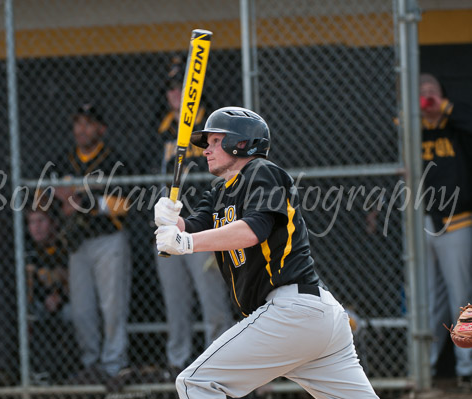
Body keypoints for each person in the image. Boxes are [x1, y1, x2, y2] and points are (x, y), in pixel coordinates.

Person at [154, 107, 378, 398]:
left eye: (215, 141)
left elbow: (252, 231)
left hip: (293, 311)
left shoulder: (263, 172)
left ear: (241, 142)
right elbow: (191, 228)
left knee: (195, 382)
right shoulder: (219, 193)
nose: (206, 150)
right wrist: (170, 220)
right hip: (313, 319)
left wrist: (186, 243)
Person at [155, 57, 233, 379]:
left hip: (203, 228)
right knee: (176, 303)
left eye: (180, 88)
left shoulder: (210, 129)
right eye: (171, 89)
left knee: (212, 301)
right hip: (169, 226)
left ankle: (221, 364)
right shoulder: (161, 128)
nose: (175, 95)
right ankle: (179, 363)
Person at [419, 73, 472, 390]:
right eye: (420, 91)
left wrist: (443, 107)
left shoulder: (456, 127)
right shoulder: (408, 129)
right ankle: (426, 366)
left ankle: (467, 367)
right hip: (420, 222)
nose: (427, 96)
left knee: (462, 300)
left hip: (457, 220)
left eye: (432, 90)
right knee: (427, 300)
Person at [53, 103, 132, 383]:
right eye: (78, 123)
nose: (82, 130)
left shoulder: (114, 160)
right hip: (78, 244)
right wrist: (56, 199)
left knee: (112, 306)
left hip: (108, 240)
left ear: (102, 129)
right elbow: (47, 196)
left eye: (88, 124)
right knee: (81, 309)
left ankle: (113, 365)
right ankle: (91, 364)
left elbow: (125, 203)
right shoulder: (64, 160)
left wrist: (86, 202)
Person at [24, 196, 76, 383]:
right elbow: (31, 286)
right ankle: (37, 370)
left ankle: (74, 368)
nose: (36, 227)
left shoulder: (66, 246)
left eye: (41, 221)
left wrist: (59, 297)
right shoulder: (27, 250)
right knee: (31, 313)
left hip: (66, 303)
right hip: (41, 304)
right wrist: (46, 297)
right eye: (31, 222)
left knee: (73, 313)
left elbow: (74, 282)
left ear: (53, 223)